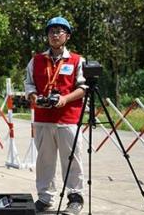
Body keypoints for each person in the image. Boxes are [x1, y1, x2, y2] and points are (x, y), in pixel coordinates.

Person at [24, 17, 86, 215]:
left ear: (67, 36)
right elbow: (29, 84)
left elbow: (83, 87)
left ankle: (75, 197)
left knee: (72, 159)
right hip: (43, 118)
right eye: (51, 31)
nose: (54, 35)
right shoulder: (37, 60)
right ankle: (45, 197)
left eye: (59, 31)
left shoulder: (77, 60)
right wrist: (34, 96)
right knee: (44, 160)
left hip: (68, 118)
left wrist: (65, 99)